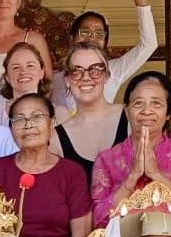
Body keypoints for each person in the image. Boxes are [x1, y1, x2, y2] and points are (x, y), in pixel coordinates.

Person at [0, 93, 91, 237]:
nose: (28, 125)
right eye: (19, 119)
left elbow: (80, 236)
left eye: (37, 117)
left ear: (52, 124)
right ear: (11, 128)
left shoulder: (71, 172)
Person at [92, 71, 171, 226]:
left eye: (156, 103)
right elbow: (98, 218)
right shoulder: (106, 159)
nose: (146, 111)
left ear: (168, 113)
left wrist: (157, 176)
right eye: (138, 103)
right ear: (126, 110)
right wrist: (133, 177)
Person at [53, 0, 158, 112]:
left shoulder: (113, 71)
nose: (91, 38)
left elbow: (149, 45)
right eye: (85, 32)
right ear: (71, 38)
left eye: (99, 34)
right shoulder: (55, 79)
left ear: (105, 43)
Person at [55, 45, 129, 178]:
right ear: (67, 80)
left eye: (95, 70)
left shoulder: (131, 118)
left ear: (106, 76)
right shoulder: (56, 138)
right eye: (77, 71)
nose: (86, 77)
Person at [0, 41, 50, 128]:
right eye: (16, 67)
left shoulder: (57, 113)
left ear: (42, 73)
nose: (23, 71)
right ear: (7, 77)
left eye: (30, 65)